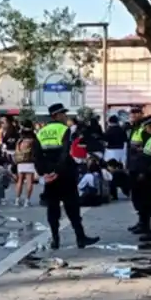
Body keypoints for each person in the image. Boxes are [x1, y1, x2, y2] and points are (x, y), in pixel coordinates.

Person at [33, 103, 100, 250]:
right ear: (56, 115)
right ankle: (80, 238)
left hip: (49, 177)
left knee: (52, 209)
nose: (66, 117)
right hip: (64, 174)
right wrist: (58, 170)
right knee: (72, 207)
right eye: (63, 114)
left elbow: (36, 155)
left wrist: (44, 173)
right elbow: (65, 153)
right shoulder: (64, 130)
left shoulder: (41, 132)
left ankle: (55, 240)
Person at [125, 107, 146, 233]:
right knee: (135, 197)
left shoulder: (143, 128)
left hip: (140, 167)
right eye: (131, 115)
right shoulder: (134, 129)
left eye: (134, 115)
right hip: (133, 166)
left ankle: (144, 223)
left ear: (140, 115)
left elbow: (145, 148)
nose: (132, 117)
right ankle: (141, 221)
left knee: (142, 197)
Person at [14, 121, 37, 207]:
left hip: (20, 161)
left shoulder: (20, 140)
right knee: (29, 181)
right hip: (29, 161)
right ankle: (27, 201)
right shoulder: (32, 140)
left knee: (19, 180)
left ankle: (17, 200)